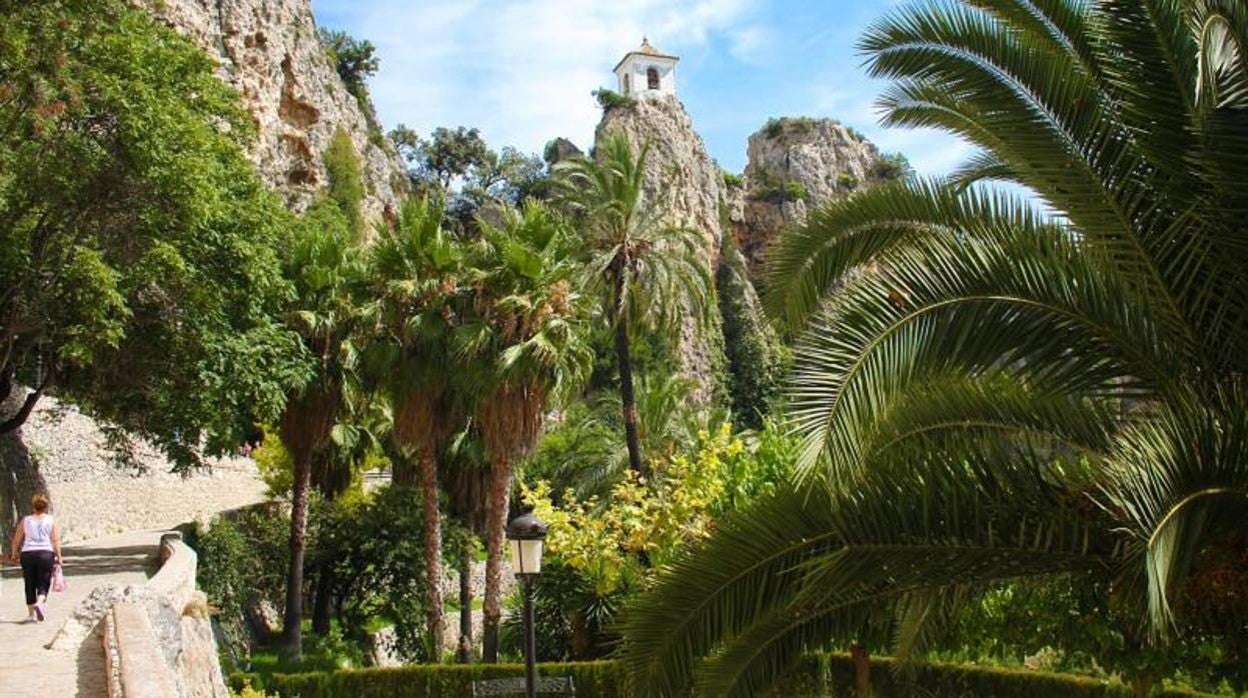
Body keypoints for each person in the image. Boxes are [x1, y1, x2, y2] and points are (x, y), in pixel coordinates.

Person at [8, 494, 61, 623]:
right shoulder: (51, 520)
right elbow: (55, 540)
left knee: (29, 583)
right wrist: (59, 556)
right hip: (45, 553)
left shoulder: (26, 520)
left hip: (28, 554)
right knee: (44, 581)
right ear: (46, 507)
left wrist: (14, 554)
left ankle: (31, 615)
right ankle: (40, 602)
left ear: (33, 507)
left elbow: (16, 540)